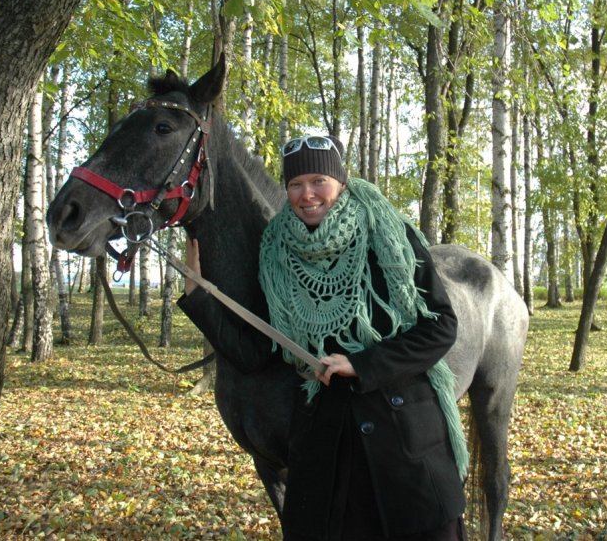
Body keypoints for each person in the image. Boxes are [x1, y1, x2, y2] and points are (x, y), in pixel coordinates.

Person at [178, 135, 468, 541]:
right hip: (327, 450)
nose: (306, 195)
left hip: (403, 442)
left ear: (341, 183)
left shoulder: (390, 234)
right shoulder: (276, 254)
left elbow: (440, 326)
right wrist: (199, 296)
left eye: (318, 181)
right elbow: (256, 351)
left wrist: (361, 364)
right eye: (295, 184)